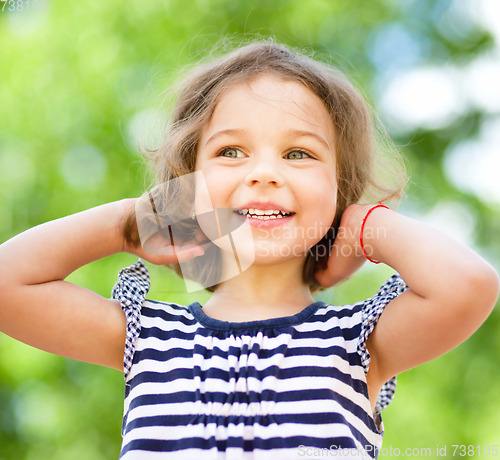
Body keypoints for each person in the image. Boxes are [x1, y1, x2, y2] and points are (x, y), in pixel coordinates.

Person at [0, 40, 498, 460]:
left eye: (298, 153)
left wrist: (361, 227)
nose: (263, 172)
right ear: (185, 188)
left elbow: (468, 284)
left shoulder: (356, 344)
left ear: (339, 190)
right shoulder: (148, 339)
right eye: (230, 152)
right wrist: (127, 226)